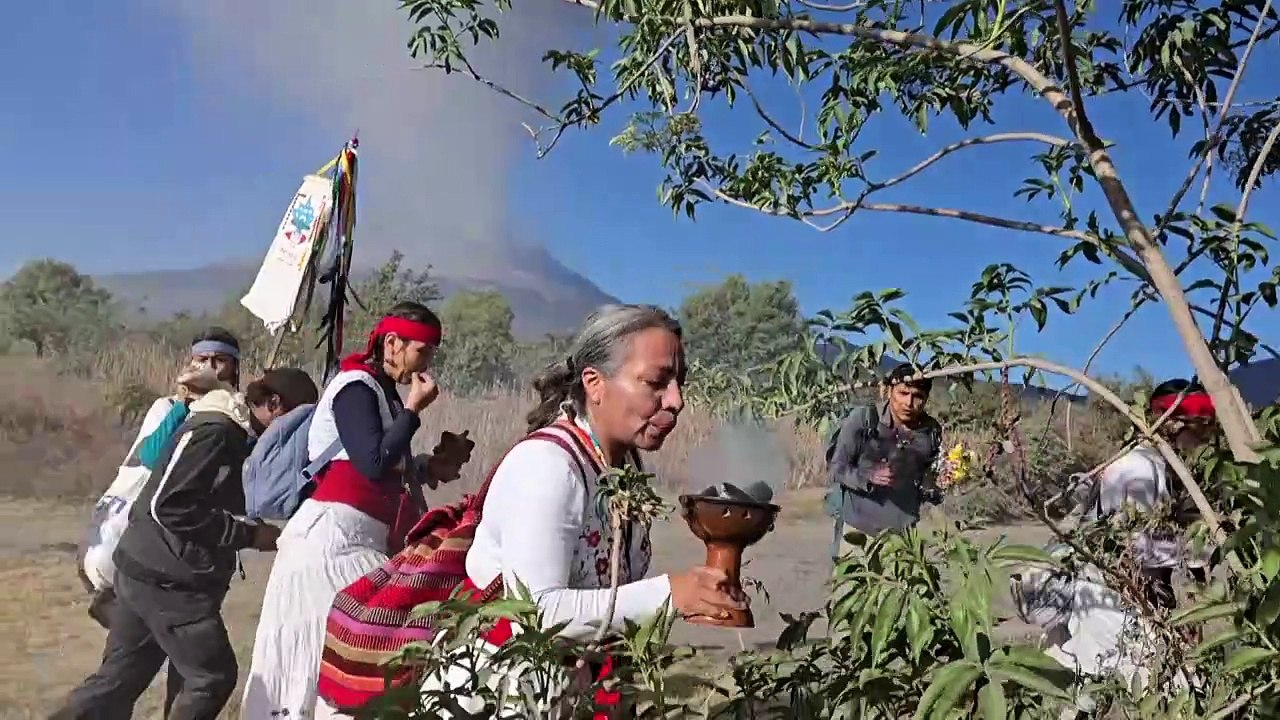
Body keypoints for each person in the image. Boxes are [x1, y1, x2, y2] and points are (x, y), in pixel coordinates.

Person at [418, 304, 745, 718]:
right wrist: (669, 594)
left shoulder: (619, 468)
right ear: (595, 383)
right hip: (496, 696)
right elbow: (536, 612)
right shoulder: (548, 466)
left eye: (679, 383)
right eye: (656, 382)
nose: (676, 401)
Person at [241, 302, 469, 719]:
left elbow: (385, 466)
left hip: (357, 540)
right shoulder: (355, 387)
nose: (428, 363)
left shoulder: (382, 394)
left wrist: (433, 465)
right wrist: (415, 410)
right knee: (343, 655)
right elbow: (372, 462)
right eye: (424, 351)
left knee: (354, 658)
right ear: (394, 343)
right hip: (328, 544)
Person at [52, 368, 320, 720]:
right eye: (297, 421)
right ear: (273, 404)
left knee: (118, 681)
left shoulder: (233, 434)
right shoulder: (217, 431)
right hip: (167, 578)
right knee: (211, 676)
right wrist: (248, 535)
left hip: (149, 569)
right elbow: (171, 505)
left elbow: (210, 494)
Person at [78, 327, 242, 629]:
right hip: (138, 541)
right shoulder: (168, 408)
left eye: (219, 360)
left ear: (234, 366)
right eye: (201, 360)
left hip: (196, 546)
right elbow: (150, 457)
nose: (209, 368)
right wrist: (184, 404)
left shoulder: (237, 414)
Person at [825, 363, 943, 555]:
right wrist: (869, 475)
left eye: (917, 397)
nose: (908, 403)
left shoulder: (930, 432)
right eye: (903, 393)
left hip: (903, 537)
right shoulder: (864, 418)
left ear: (926, 399)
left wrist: (944, 481)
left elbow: (928, 479)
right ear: (889, 391)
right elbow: (836, 468)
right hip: (858, 533)